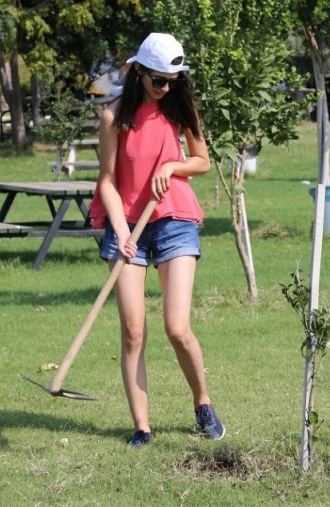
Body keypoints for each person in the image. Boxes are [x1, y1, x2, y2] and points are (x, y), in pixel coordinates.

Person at [89, 32, 225, 447]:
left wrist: (174, 165)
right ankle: (142, 428)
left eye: (174, 80)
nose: (167, 87)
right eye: (160, 80)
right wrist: (120, 230)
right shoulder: (114, 117)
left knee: (177, 326)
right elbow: (108, 183)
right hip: (126, 223)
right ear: (138, 73)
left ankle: (202, 402)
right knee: (133, 331)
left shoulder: (181, 109)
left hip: (174, 220)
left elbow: (202, 161)